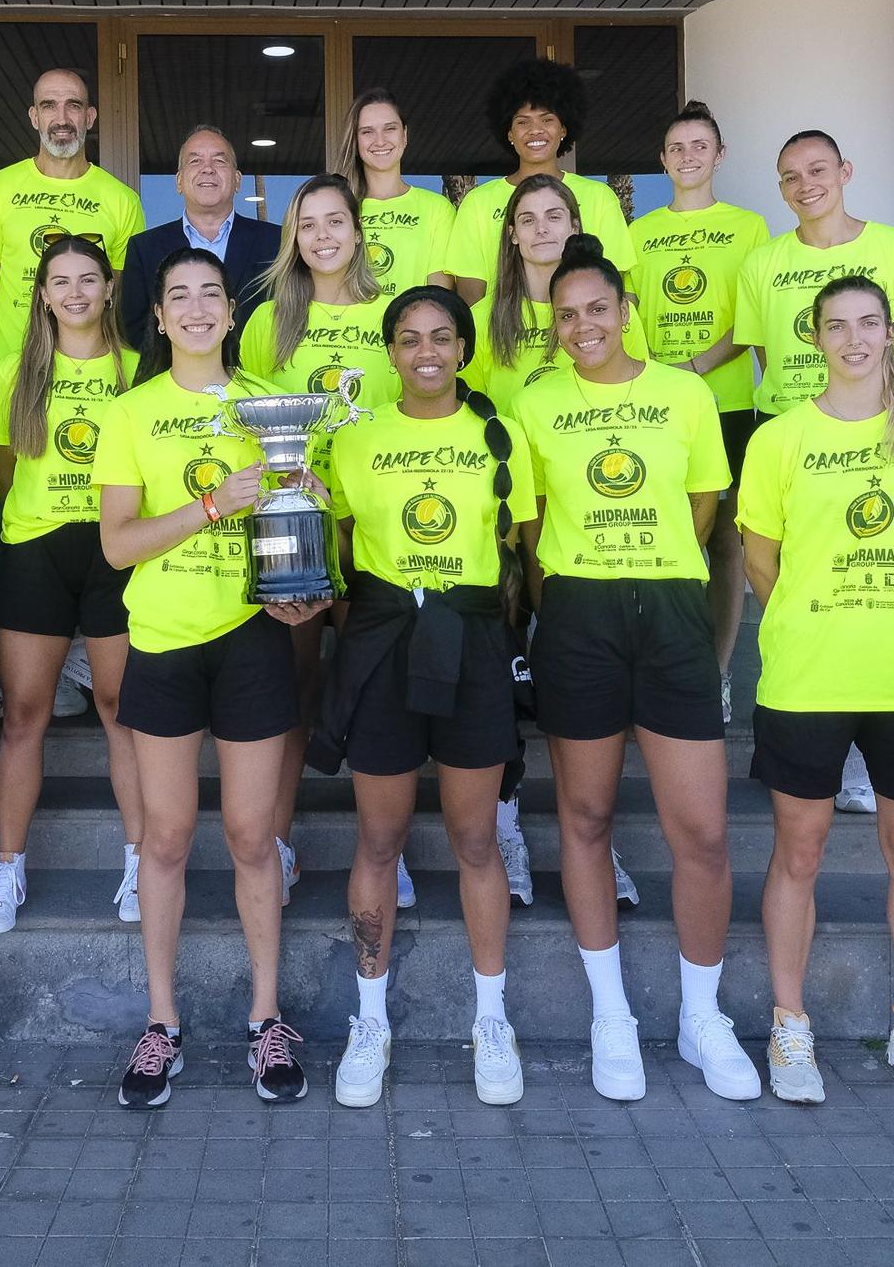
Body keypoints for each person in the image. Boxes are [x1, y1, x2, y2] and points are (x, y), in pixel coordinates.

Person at [512, 235, 760, 1104]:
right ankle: (609, 1013)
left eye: (598, 309)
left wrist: (649, 564)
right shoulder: (537, 404)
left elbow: (702, 505)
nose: (583, 325)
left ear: (626, 311)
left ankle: (702, 1017)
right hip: (579, 615)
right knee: (585, 817)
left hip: (672, 613)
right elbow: (531, 530)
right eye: (567, 313)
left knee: (703, 831)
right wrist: (572, 595)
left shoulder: (684, 392)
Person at [737, 274, 894, 1109]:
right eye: (835, 326)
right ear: (814, 338)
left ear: (889, 331)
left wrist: (882, 610)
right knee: (798, 853)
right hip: (807, 675)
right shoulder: (778, 439)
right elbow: (761, 562)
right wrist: (814, 619)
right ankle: (790, 1023)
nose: (854, 339)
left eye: (869, 323)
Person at [96, 248, 325, 1109]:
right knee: (163, 838)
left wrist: (305, 557)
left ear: (233, 313)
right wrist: (207, 507)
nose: (195, 310)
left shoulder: (266, 402)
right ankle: (162, 1023)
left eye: (210, 296)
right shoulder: (131, 413)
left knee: (251, 837)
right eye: (178, 297)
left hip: (251, 639)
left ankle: (266, 1019)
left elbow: (302, 514)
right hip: (161, 641)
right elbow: (119, 544)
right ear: (157, 317)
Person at [312, 286, 531, 1108]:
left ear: (464, 348)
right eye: (408, 339)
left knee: (476, 841)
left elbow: (520, 563)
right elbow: (334, 548)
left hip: (471, 645)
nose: (426, 352)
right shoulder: (356, 438)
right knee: (380, 838)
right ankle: (370, 1020)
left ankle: (490, 1017)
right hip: (383, 643)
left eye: (441, 337)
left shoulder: (499, 434)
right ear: (390, 351)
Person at [462, 174, 649, 910]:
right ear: (509, 234)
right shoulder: (487, 319)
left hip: (594, 529)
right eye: (526, 218)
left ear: (576, 221)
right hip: (507, 531)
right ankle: (507, 825)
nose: (540, 228)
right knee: (506, 686)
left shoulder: (599, 306)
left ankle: (602, 846)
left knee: (597, 698)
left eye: (554, 215)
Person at [734, 129, 894, 814]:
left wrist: (884, 422)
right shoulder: (763, 262)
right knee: (794, 582)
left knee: (868, 583)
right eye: (790, 175)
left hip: (878, 434)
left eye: (817, 169)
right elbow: (764, 361)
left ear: (846, 171)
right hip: (790, 440)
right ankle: (816, 732)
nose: (805, 183)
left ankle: (859, 755)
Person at [0, 235, 144, 934]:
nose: (75, 292)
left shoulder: (137, 370)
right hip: (37, 550)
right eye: (60, 281)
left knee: (117, 708)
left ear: (109, 288)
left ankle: (140, 862)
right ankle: (7, 869)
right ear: (41, 294)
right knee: (23, 715)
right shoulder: (14, 370)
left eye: (88, 280)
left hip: (115, 550)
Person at [237, 173, 398, 907]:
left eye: (337, 221)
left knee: (374, 688)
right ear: (293, 238)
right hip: (292, 524)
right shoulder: (271, 321)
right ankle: (279, 845)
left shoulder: (395, 313)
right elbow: (240, 425)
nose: (324, 236)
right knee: (290, 688)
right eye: (309, 225)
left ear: (359, 231)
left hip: (374, 521)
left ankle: (383, 852)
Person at [629, 103, 769, 725]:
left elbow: (754, 318)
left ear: (720, 155)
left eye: (699, 146)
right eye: (676, 147)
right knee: (663, 536)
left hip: (729, 402)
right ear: (662, 160)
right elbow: (627, 318)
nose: (688, 156)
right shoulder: (639, 232)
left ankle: (715, 673)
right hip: (657, 409)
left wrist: (695, 368)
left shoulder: (750, 227)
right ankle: (655, 667)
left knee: (724, 542)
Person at [0, 68, 145, 361]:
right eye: (48, 105)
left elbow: (117, 299)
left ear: (89, 117)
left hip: (91, 372)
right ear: (34, 116)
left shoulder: (123, 200)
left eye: (73, 105)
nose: (61, 119)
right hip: (13, 367)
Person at [441, 59, 635, 306]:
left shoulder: (599, 197)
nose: (535, 130)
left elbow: (614, 287)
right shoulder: (478, 203)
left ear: (564, 129)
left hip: (580, 338)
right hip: (503, 340)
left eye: (547, 120)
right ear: (509, 133)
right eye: (523, 122)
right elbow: (471, 298)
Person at [118, 125, 282, 349]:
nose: (208, 169)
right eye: (195, 161)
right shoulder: (144, 248)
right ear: (178, 181)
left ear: (237, 180)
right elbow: (134, 329)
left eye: (219, 161)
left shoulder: (277, 242)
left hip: (259, 378)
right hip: (175, 379)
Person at [331, 89, 456, 297]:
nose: (380, 141)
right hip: (351, 329)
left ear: (404, 135)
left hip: (412, 328)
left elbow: (438, 296)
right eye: (367, 131)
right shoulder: (339, 208)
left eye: (389, 129)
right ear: (355, 141)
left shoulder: (437, 208)